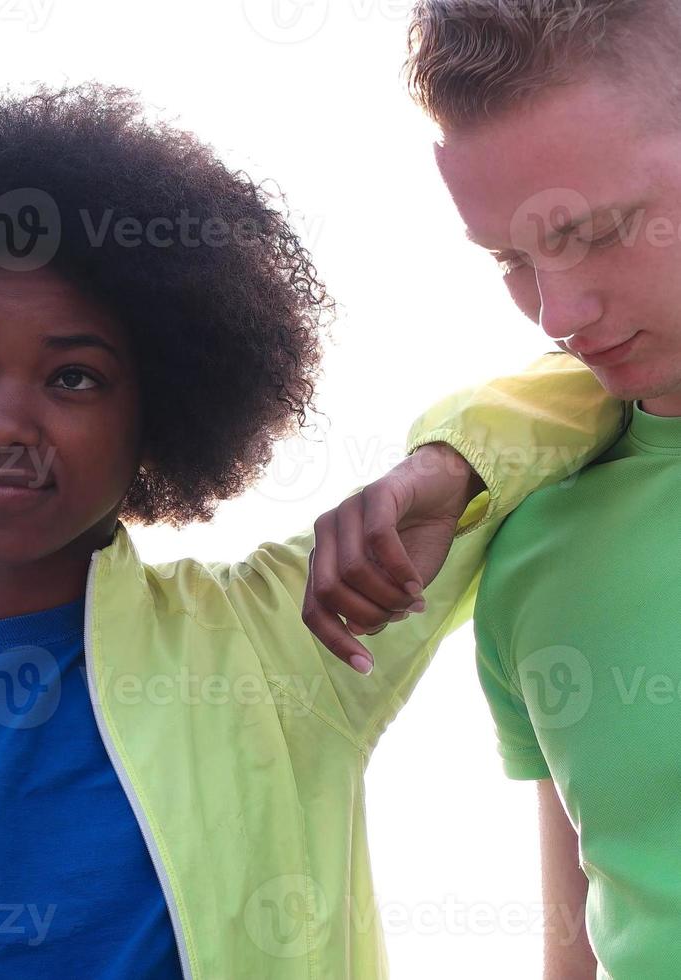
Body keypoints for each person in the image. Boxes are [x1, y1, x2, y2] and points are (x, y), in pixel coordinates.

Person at [0, 83, 623, 978]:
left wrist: (441, 466)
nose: (2, 420)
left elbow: (598, 380)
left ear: (157, 414)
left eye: (72, 378)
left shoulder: (285, 641)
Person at [312, 3, 681, 976]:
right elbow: (579, 939)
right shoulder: (526, 548)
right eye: (510, 259)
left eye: (597, 232)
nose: (558, 314)